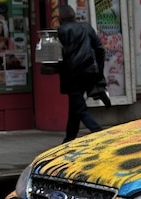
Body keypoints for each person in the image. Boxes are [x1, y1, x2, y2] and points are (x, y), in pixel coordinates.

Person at [57, 4, 105, 143]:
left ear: (61, 18)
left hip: (73, 74)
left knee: (80, 108)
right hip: (89, 71)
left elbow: (58, 56)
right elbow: (100, 49)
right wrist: (99, 71)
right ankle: (69, 139)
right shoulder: (86, 27)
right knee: (75, 108)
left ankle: (99, 134)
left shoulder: (61, 31)